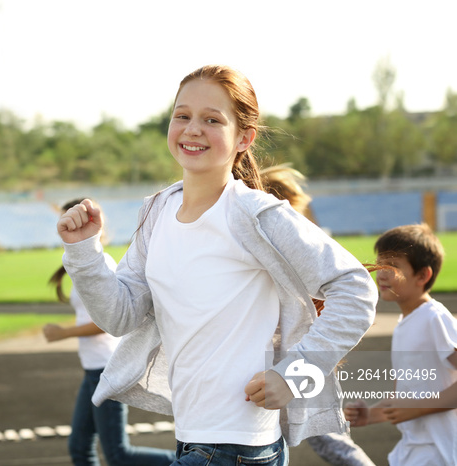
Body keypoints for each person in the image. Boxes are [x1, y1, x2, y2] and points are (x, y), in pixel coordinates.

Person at [57, 65, 377, 466]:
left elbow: (356, 287)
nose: (192, 129)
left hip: (238, 446)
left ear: (244, 137)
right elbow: (120, 316)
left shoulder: (254, 212)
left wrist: (296, 376)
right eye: (182, 115)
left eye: (212, 120)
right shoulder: (157, 211)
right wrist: (84, 252)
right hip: (193, 437)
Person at [43, 198, 177, 466]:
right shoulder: (77, 263)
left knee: (118, 454)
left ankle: (187, 463)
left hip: (106, 365)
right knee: (80, 447)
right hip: (93, 367)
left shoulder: (102, 263)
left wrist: (64, 333)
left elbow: (109, 322)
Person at [261, 164, 376, 466]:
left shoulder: (288, 237)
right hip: (290, 354)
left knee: (327, 440)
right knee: (272, 436)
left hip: (294, 355)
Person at [344, 224, 457, 466]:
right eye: (379, 264)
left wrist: (418, 408)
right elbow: (403, 397)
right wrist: (370, 415)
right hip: (414, 450)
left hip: (440, 452)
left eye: (392, 266)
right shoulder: (406, 323)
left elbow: (412, 404)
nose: (381, 273)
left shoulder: (433, 318)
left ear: (422, 275)